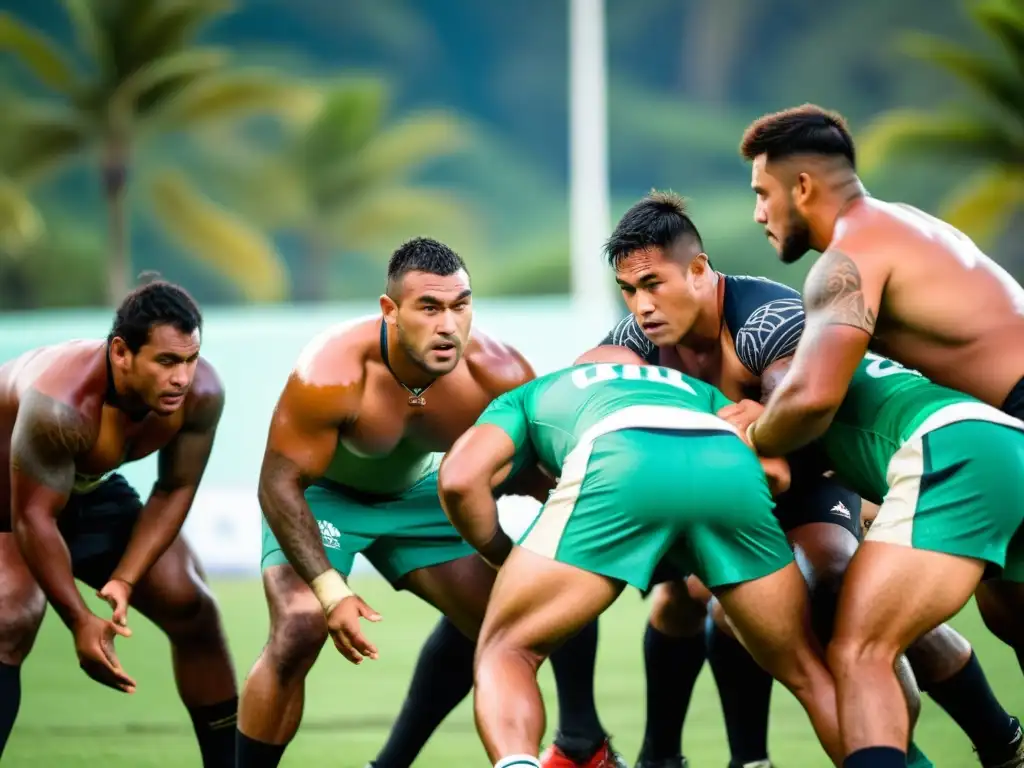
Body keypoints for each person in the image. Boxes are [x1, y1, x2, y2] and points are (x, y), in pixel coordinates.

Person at [552, 192, 1019, 768]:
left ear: (699, 270)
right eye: (629, 290)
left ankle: (995, 738)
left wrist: (749, 439)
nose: (641, 304)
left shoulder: (762, 317)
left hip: (806, 471)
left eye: (653, 284)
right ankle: (672, 757)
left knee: (835, 588)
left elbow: (792, 413)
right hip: (740, 476)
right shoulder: (643, 334)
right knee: (687, 596)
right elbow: (589, 376)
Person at [235, 237, 623, 768]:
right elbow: (277, 484)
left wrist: (593, 533)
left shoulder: (498, 373)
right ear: (390, 311)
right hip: (321, 499)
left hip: (422, 496)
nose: (448, 325)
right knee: (301, 628)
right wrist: (331, 592)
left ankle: (581, 742)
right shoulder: (331, 373)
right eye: (429, 308)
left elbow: (543, 475)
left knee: (527, 610)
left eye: (460, 306)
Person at [735, 104, 1024, 768]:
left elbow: (810, 399)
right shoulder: (907, 226)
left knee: (860, 649)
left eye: (762, 193)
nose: (758, 214)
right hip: (1009, 434)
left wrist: (755, 429)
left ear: (801, 186)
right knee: (1012, 620)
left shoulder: (852, 254)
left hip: (1002, 424)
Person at [438, 345, 846, 768]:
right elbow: (777, 474)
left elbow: (458, 480)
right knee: (808, 671)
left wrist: (499, 554)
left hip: (617, 461)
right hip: (730, 472)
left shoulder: (536, 391)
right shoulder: (695, 390)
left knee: (508, 651)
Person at [0, 277, 238, 766]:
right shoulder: (60, 405)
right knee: (10, 618)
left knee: (191, 604)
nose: (182, 378)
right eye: (167, 361)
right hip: (12, 495)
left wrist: (126, 579)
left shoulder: (201, 396)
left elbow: (174, 488)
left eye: (190, 360)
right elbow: (34, 517)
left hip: (87, 485)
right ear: (122, 353)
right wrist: (80, 620)